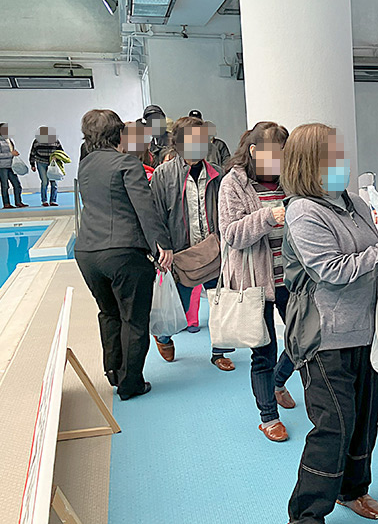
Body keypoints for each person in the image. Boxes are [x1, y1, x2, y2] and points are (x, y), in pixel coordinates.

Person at [281, 122, 378, 524]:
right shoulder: (302, 212)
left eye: (341, 156)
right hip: (325, 337)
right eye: (332, 158)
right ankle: (306, 514)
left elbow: (371, 256)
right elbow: (331, 270)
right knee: (334, 425)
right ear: (310, 164)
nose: (341, 165)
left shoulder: (357, 205)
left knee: (365, 417)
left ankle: (353, 489)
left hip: (367, 332)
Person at [74, 109, 173, 400]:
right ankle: (132, 383)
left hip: (87, 253)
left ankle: (113, 372)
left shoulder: (85, 166)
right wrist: (162, 245)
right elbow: (145, 209)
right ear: (119, 135)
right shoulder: (126, 164)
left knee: (109, 313)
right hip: (123, 252)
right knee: (134, 318)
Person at [218, 121, 298, 442]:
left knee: (302, 339)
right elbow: (232, 233)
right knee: (263, 350)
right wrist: (268, 216)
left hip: (291, 276)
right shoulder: (233, 184)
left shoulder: (289, 178)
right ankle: (268, 416)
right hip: (255, 281)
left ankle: (278, 382)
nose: (280, 163)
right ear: (254, 151)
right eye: (274, 156)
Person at [150, 116, 235, 370]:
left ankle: (219, 352)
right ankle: (163, 336)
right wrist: (162, 248)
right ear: (177, 143)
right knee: (180, 307)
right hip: (181, 253)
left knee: (221, 303)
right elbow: (154, 215)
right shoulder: (163, 175)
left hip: (215, 249)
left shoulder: (218, 174)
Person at [29, 126, 64, 206]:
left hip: (52, 163)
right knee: (44, 182)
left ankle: (53, 200)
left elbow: (61, 151)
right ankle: (44, 200)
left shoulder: (55, 141)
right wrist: (32, 164)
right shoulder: (37, 141)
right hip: (40, 162)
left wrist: (57, 158)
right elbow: (32, 153)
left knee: (54, 182)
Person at [0, 123, 27, 208]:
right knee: (5, 186)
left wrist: (14, 154)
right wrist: (10, 154)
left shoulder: (10, 140)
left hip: (12, 165)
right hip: (2, 166)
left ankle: (18, 202)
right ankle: (6, 203)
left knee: (17, 184)